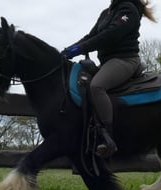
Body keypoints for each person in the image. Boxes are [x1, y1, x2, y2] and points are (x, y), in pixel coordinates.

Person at [61, 0, 156, 158]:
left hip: (125, 60)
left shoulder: (129, 10)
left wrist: (80, 49)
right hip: (107, 62)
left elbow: (110, 35)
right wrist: (69, 49)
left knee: (97, 86)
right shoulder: (107, 12)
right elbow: (91, 36)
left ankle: (108, 137)